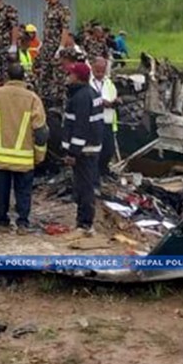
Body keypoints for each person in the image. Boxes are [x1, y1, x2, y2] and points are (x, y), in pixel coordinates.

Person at [0, 64, 48, 232]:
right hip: (23, 156)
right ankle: (22, 222)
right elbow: (41, 131)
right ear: (24, 77)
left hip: (0, 155)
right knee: (23, 190)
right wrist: (39, 155)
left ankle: (2, 221)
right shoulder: (32, 98)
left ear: (7, 76)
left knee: (2, 189)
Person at [62, 62, 103, 235]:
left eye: (70, 74)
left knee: (85, 187)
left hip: (84, 151)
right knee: (83, 185)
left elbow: (80, 127)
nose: (67, 76)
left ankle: (85, 223)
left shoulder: (81, 97)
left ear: (77, 77)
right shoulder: (89, 93)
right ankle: (83, 220)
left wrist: (73, 152)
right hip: (89, 148)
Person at [36, 0, 74, 113]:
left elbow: (65, 29)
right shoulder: (47, 8)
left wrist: (61, 46)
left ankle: (61, 109)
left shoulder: (63, 9)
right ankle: (44, 108)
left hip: (56, 48)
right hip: (46, 48)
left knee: (59, 79)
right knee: (44, 78)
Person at [89, 56, 120, 179]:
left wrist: (116, 101)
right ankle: (95, 175)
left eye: (102, 71)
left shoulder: (108, 82)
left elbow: (113, 94)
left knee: (108, 150)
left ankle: (103, 171)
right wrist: (101, 102)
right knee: (95, 151)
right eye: (98, 71)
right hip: (93, 121)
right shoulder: (88, 82)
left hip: (108, 120)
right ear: (92, 68)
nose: (100, 74)